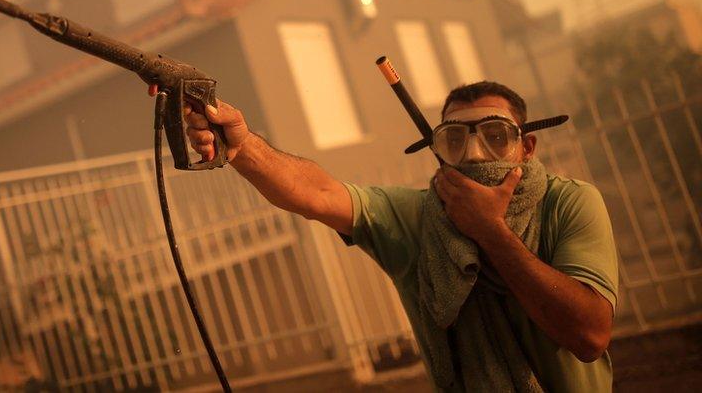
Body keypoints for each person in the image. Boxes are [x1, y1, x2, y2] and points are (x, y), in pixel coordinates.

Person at [153, 80, 617, 392]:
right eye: (456, 138)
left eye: (496, 136)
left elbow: (589, 334)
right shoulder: (418, 217)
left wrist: (489, 231)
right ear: (439, 148)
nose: (475, 154)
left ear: (527, 145)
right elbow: (318, 193)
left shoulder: (570, 203)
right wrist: (241, 144)